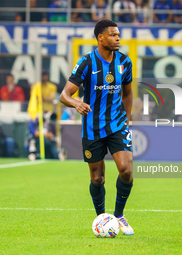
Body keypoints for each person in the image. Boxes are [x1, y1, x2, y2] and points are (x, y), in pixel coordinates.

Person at [60, 19, 134, 235]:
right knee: (97, 178)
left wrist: (126, 121)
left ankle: (119, 215)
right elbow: (64, 94)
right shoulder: (86, 63)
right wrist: (76, 103)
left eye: (118, 34)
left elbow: (128, 94)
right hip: (92, 127)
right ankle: (101, 218)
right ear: (100, 37)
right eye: (113, 35)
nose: (117, 38)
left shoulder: (124, 62)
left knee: (126, 171)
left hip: (117, 124)